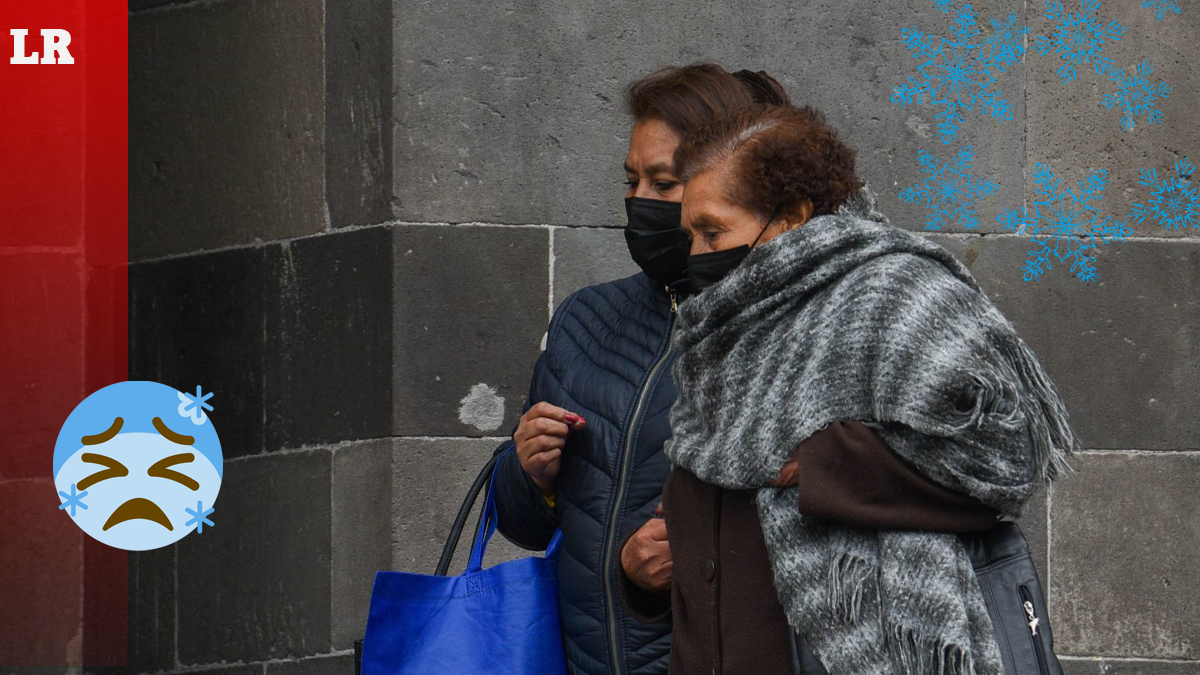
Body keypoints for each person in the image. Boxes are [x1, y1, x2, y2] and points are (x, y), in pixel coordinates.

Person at [645, 103, 1078, 674]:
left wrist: (822, 462)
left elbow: (1005, 453)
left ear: (792, 217)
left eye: (713, 232)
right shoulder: (721, 331)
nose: (696, 255)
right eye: (691, 236)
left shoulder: (894, 294)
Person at [486, 64, 793, 675]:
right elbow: (523, 523)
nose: (639, 204)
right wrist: (529, 472)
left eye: (663, 183)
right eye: (631, 182)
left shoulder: (791, 326)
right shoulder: (587, 320)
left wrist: (685, 563)